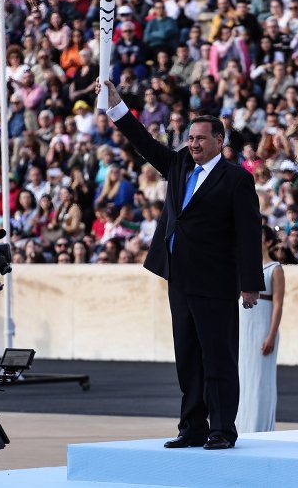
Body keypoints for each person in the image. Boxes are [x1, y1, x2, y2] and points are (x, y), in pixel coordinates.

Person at [97, 79, 264, 450]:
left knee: (218, 357)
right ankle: (192, 427)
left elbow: (248, 233)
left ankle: (222, 429)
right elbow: (142, 141)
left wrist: (250, 283)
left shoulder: (236, 178)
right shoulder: (178, 165)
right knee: (187, 356)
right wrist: (117, 106)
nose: (194, 144)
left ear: (219, 141)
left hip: (216, 280)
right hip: (179, 276)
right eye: (190, 138)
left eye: (201, 138)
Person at [236, 225, 284, 434]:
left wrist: (271, 334)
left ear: (268, 242)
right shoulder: (243, 266)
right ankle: (240, 425)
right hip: (243, 325)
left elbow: (278, 304)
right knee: (242, 375)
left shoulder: (275, 269)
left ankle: (259, 427)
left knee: (260, 379)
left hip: (263, 326)